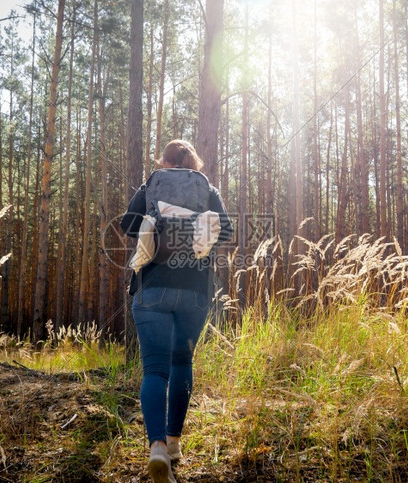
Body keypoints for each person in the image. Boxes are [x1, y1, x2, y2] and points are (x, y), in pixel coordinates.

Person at [120, 139, 232, 483]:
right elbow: (225, 230)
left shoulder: (150, 184)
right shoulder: (207, 188)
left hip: (152, 287)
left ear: (163, 161)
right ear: (192, 163)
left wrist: (158, 220)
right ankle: (174, 442)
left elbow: (126, 225)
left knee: (155, 370)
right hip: (195, 291)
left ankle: (155, 449)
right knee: (182, 363)